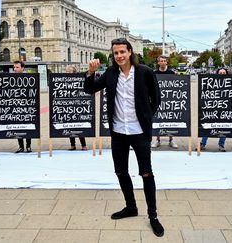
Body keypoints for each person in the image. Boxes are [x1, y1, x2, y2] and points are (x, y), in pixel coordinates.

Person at [84, 37, 164, 237]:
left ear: (130, 52)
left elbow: (156, 98)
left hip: (139, 132)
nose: (119, 56)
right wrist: (91, 73)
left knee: (146, 173)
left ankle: (153, 215)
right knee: (120, 171)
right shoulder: (111, 73)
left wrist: (146, 117)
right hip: (118, 131)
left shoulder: (144, 72)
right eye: (116, 53)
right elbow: (89, 89)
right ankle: (131, 207)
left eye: (122, 52)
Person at [198, 68, 229, 152]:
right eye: (220, 72)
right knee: (208, 126)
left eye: (224, 73)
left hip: (225, 109)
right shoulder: (211, 82)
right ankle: (203, 144)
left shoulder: (231, 83)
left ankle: (221, 144)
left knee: (223, 127)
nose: (222, 74)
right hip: (212, 109)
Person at [151, 55, 178, 149]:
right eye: (161, 61)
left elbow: (176, 86)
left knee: (170, 119)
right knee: (158, 119)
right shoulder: (154, 73)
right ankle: (157, 140)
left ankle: (171, 140)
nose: (162, 62)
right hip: (157, 100)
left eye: (164, 61)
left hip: (169, 100)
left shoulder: (171, 73)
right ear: (158, 62)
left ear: (167, 62)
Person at [64, 65, 87, 151]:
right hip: (68, 107)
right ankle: (72, 145)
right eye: (66, 71)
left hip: (77, 106)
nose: (67, 73)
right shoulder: (63, 81)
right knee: (70, 127)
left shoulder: (79, 80)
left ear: (73, 72)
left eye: (69, 71)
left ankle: (83, 145)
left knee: (79, 126)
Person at [13, 60, 32, 153]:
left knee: (28, 126)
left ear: (22, 68)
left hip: (28, 106)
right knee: (18, 127)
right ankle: (21, 146)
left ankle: (28, 146)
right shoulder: (11, 78)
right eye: (14, 67)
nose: (15, 69)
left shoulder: (29, 77)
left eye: (17, 67)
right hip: (16, 106)